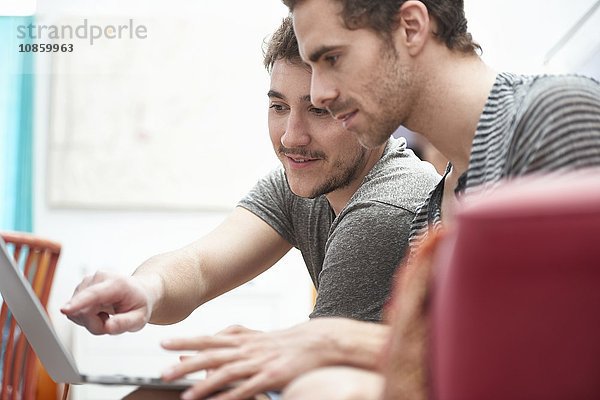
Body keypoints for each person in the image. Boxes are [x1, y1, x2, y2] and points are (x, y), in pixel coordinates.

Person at [61, 16, 440, 400]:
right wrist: (144, 288)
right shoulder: (308, 179)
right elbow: (199, 267)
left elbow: (320, 381)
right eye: (278, 106)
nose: (292, 136)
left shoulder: (383, 209)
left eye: (319, 110)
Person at [282, 0, 600, 398]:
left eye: (332, 58)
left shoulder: (555, 117)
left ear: (412, 27)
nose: (320, 93)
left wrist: (341, 343)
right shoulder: (431, 211)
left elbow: (569, 354)